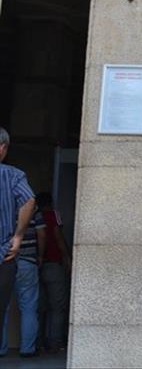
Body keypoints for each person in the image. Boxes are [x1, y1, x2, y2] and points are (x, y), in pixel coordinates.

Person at [0, 127, 35, 347]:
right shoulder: (12, 175)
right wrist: (18, 236)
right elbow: (29, 199)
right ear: (2, 148)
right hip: (4, 255)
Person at [0, 207, 46, 357]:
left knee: (2, 307)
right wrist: (40, 256)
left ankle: (1, 349)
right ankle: (27, 349)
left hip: (5, 262)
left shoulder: (3, 208)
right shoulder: (34, 210)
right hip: (27, 262)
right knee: (29, 307)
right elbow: (42, 234)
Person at [37, 192, 70, 353]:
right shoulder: (52, 215)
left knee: (39, 307)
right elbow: (57, 236)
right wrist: (67, 257)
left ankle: (37, 342)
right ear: (50, 203)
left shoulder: (32, 216)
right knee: (57, 306)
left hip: (36, 266)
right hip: (53, 264)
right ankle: (56, 342)